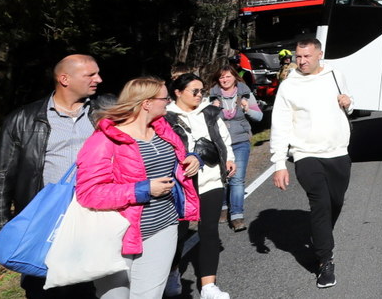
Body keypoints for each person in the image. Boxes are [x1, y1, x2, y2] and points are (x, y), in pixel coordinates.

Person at [0, 54, 112, 299]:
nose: (99, 79)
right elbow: (1, 178)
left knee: (90, 288)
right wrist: (0, 231)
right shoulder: (23, 119)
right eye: (91, 74)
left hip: (95, 217)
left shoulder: (104, 114)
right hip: (46, 221)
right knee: (43, 288)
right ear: (65, 79)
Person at [76, 76, 201, 299]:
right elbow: (88, 193)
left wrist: (191, 160)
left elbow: (173, 162)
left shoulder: (163, 130)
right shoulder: (104, 139)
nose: (169, 102)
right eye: (165, 98)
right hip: (116, 235)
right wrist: (142, 189)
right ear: (146, 103)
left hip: (163, 226)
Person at [270, 38, 353, 289]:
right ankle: (324, 261)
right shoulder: (288, 86)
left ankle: (321, 236)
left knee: (335, 203)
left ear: (320, 55)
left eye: (307, 56)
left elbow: (348, 106)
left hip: (338, 151)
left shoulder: (335, 75)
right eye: (298, 56)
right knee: (320, 203)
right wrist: (279, 163)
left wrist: (349, 104)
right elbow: (280, 125)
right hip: (306, 153)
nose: (302, 61)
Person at [166, 73, 235, 299]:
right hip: (182, 186)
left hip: (212, 181)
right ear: (177, 92)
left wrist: (230, 159)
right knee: (178, 234)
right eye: (194, 91)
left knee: (209, 231)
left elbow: (223, 139)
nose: (199, 95)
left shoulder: (210, 112)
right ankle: (173, 272)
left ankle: (208, 286)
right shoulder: (165, 117)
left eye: (201, 91)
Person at [207, 61, 262, 232]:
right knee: (223, 178)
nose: (224, 79)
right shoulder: (211, 97)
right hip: (219, 142)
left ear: (234, 77)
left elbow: (259, 117)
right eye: (221, 77)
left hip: (240, 141)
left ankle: (237, 215)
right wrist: (211, 110)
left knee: (236, 178)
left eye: (228, 76)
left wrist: (247, 110)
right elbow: (204, 122)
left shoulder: (245, 94)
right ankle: (223, 207)